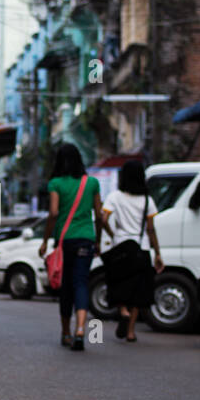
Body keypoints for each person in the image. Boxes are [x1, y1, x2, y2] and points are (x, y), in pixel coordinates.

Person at [39, 142, 103, 350]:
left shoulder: (55, 183)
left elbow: (54, 213)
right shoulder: (91, 183)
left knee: (65, 286)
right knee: (81, 283)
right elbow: (99, 215)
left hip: (64, 240)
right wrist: (98, 240)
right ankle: (81, 330)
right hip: (86, 238)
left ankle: (66, 333)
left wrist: (45, 241)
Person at [101, 160, 164, 341]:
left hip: (121, 246)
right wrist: (157, 253)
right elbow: (151, 229)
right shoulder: (147, 200)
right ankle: (130, 332)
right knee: (138, 290)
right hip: (141, 248)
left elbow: (103, 219)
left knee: (119, 283)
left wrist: (112, 234)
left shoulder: (115, 197)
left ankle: (122, 310)